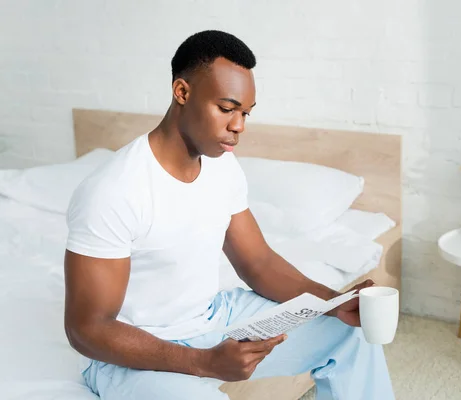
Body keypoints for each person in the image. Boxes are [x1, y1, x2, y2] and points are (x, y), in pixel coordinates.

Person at [63, 30, 395, 400]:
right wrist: (202, 362)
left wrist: (333, 302)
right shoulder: (114, 190)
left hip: (214, 317)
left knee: (351, 334)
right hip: (133, 355)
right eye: (226, 108)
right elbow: (87, 329)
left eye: (245, 113)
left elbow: (258, 263)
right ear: (182, 92)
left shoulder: (222, 166)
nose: (239, 126)